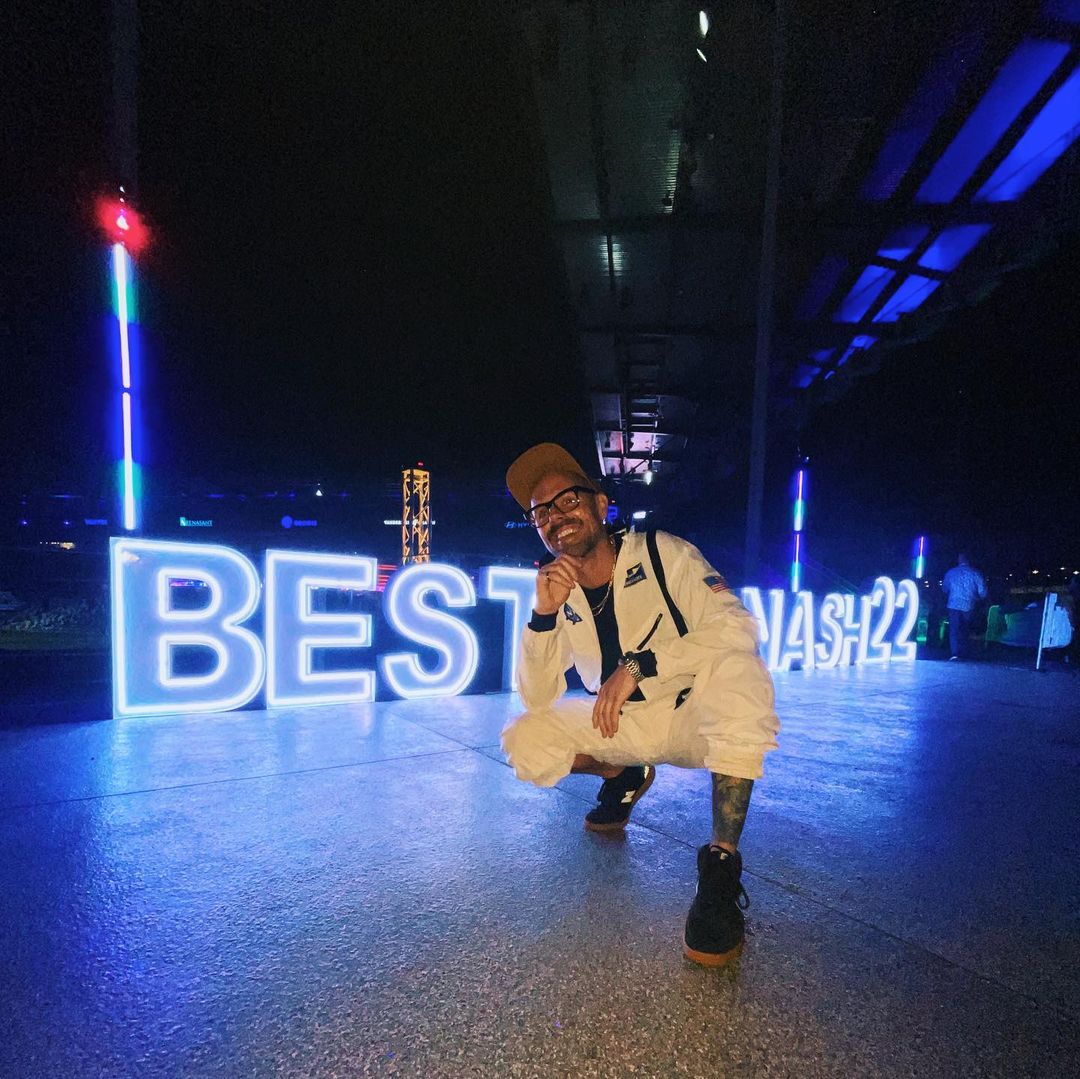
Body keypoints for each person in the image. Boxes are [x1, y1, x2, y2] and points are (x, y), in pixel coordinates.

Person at [500, 443, 780, 967]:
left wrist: (641, 665)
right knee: (526, 737)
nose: (555, 517)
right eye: (541, 513)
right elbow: (537, 698)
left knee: (741, 673)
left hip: (690, 715)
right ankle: (621, 771)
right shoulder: (557, 590)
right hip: (620, 726)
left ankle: (720, 870)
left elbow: (739, 626)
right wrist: (542, 616)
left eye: (567, 500)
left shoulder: (661, 553)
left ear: (600, 505)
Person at [942, 552, 987, 660]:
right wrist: (977, 598)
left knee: (954, 630)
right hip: (969, 605)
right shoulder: (975, 573)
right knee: (965, 629)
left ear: (959, 560)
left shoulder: (951, 572)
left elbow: (944, 589)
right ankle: (964, 652)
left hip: (953, 604)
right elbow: (983, 592)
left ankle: (954, 654)